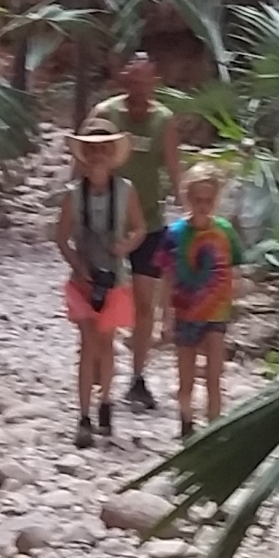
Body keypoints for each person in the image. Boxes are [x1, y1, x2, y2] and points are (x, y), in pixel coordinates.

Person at [89, 50, 182, 411]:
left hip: (150, 223)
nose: (140, 88)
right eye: (134, 80)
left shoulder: (163, 121)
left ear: (155, 82)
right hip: (106, 222)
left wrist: (190, 211)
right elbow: (84, 160)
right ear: (124, 80)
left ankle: (139, 377)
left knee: (145, 303)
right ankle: (100, 369)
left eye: (146, 81)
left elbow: (173, 168)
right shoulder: (105, 114)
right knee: (105, 299)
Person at [54, 121, 145, 447]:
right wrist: (78, 267)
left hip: (114, 279)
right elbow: (61, 237)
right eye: (92, 149)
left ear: (112, 154)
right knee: (88, 345)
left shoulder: (126, 191)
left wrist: (126, 245)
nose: (97, 155)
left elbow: (139, 228)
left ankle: (105, 402)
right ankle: (83, 416)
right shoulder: (72, 196)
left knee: (106, 345)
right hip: (84, 281)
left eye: (103, 149)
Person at [168, 161, 243, 438]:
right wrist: (164, 315)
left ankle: (214, 429)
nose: (203, 206)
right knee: (186, 378)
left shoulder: (224, 231)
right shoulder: (175, 233)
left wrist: (233, 299)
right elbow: (167, 274)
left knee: (214, 375)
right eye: (197, 200)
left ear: (216, 200)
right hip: (185, 310)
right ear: (188, 198)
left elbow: (233, 268)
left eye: (208, 200)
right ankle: (186, 425)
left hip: (217, 312)